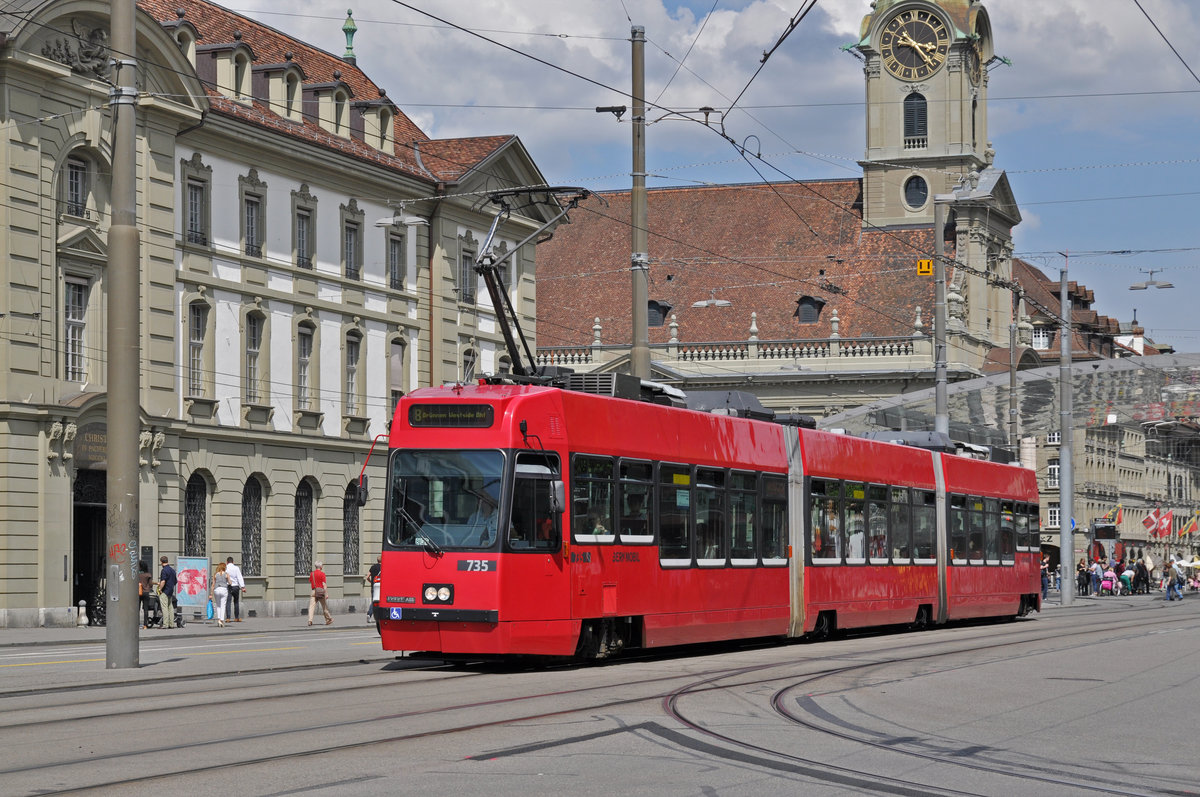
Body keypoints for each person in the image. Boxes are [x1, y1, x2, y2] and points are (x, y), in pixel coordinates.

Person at [308, 561, 332, 626]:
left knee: (311, 607)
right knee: (324, 607)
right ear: (321, 567)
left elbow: (311, 581)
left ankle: (310, 620)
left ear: (315, 566)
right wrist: (326, 594)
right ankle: (329, 619)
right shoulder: (322, 574)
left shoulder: (312, 574)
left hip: (314, 591)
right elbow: (324, 585)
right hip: (321, 592)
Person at [157, 556, 177, 630]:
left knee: (164, 607)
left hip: (165, 591)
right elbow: (175, 581)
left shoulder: (164, 570)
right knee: (170, 607)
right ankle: (171, 624)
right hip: (170, 591)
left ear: (161, 562)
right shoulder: (172, 570)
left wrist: (160, 589)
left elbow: (163, 581)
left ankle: (165, 624)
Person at [209, 561, 230, 627]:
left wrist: (211, 594)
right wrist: (228, 581)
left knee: (218, 605)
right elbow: (230, 582)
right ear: (224, 567)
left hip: (216, 589)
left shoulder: (215, 574)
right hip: (224, 589)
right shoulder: (226, 574)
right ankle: (221, 620)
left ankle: (218, 619)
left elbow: (213, 584)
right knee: (223, 605)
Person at [225, 557, 245, 622]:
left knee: (228, 602)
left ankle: (228, 618)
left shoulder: (226, 568)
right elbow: (239, 577)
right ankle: (236, 617)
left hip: (229, 586)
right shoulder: (236, 568)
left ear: (227, 562)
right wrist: (242, 587)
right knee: (236, 602)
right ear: (233, 562)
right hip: (236, 587)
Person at [137, 561, 155, 629]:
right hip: (146, 592)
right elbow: (150, 584)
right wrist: (148, 587)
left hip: (138, 592)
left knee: (137, 609)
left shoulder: (137, 574)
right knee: (146, 609)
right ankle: (145, 625)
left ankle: (137, 624)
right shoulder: (148, 575)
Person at [366, 555, 382, 623]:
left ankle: (371, 615)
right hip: (380, 587)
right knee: (378, 602)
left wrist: (371, 582)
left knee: (374, 601)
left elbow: (367, 577)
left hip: (373, 586)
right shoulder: (383, 567)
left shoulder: (372, 567)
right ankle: (370, 614)